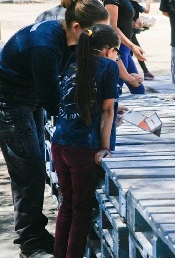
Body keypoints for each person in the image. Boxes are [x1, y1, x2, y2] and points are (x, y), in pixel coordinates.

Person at [0, 0, 109, 258]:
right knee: (27, 171)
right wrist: (90, 121)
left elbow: (76, 83)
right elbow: (55, 101)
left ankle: (36, 235)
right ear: (77, 27)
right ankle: (31, 242)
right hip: (8, 101)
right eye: (96, 34)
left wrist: (105, 104)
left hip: (31, 99)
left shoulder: (72, 37)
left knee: (35, 167)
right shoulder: (45, 46)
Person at [51, 24, 119, 257]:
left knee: (67, 206)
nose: (117, 56)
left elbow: (85, 103)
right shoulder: (109, 67)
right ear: (108, 50)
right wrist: (104, 147)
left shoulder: (73, 65)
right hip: (82, 149)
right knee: (81, 212)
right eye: (117, 51)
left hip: (60, 144)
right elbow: (108, 111)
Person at [101, 0, 145, 94]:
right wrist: (133, 46)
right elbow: (112, 27)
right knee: (115, 91)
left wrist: (134, 23)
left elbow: (123, 20)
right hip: (118, 50)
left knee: (138, 89)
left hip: (126, 49)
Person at [128, 0, 155, 80]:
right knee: (134, 52)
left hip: (129, 32)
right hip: (129, 33)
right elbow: (147, 10)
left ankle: (143, 72)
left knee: (131, 52)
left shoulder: (124, 2)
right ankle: (142, 73)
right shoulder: (134, 4)